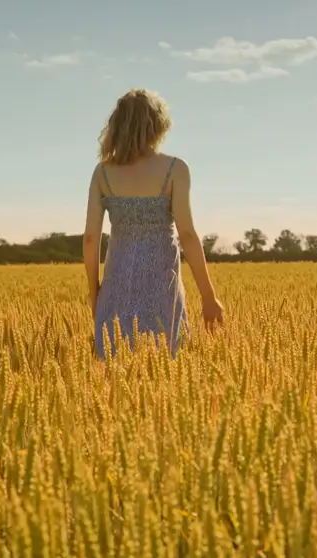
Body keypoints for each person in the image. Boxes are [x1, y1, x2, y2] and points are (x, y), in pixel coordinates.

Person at [83, 88, 224, 360]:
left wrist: (96, 297)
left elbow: (91, 239)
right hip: (163, 287)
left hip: (117, 287)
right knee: (166, 370)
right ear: (158, 125)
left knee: (112, 375)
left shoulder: (102, 172)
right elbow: (187, 235)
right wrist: (208, 297)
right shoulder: (175, 169)